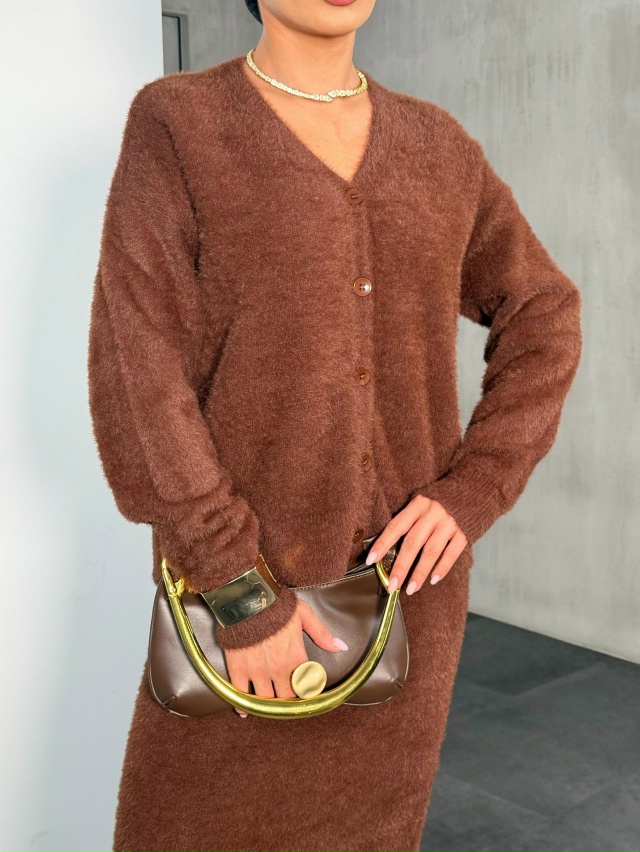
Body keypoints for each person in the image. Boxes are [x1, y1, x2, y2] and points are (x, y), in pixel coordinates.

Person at [87, 0, 583, 849]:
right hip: (231, 610)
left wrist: (476, 488)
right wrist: (239, 592)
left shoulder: (438, 147)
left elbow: (545, 311)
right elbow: (139, 372)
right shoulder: (179, 125)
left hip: (403, 609)